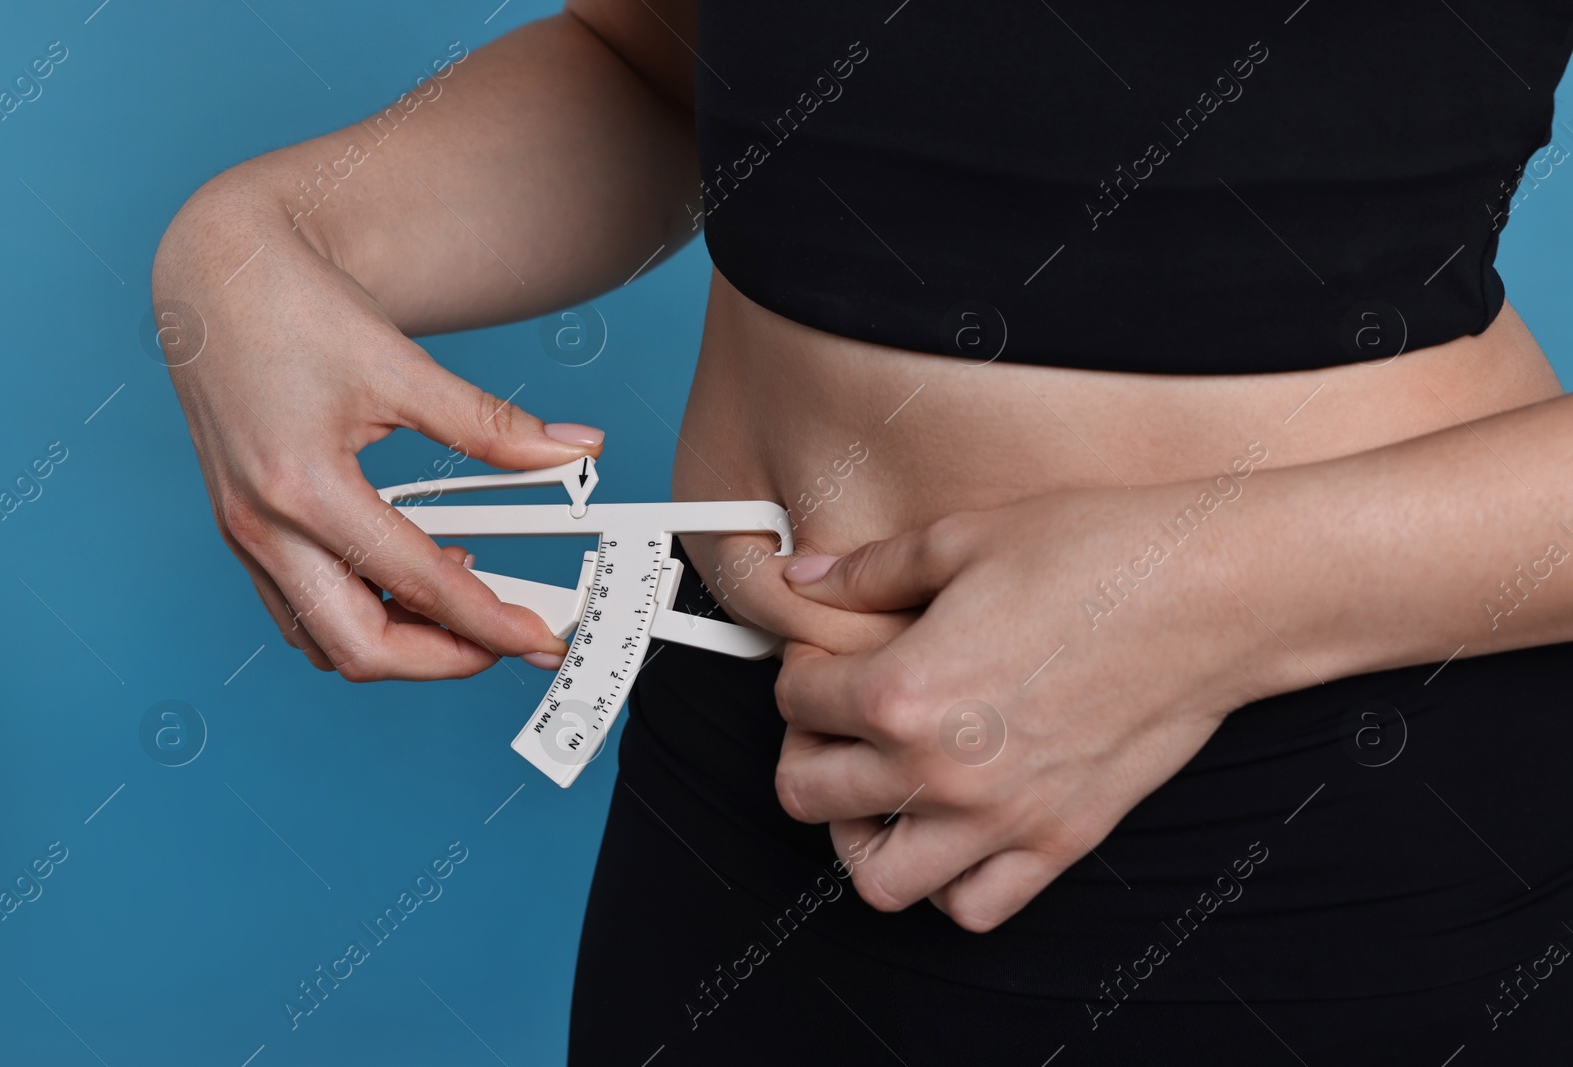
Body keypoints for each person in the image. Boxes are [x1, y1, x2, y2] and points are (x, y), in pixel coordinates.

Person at [154, 2, 1573, 1062]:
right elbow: (670, 67)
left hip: (1322, 830)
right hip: (749, 787)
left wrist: (1198, 593)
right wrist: (266, 236)